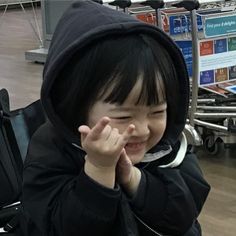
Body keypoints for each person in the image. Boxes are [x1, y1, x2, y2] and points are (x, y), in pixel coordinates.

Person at [21, 1, 210, 235]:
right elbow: (57, 226)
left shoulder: (171, 151)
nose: (142, 129)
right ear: (75, 105)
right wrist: (98, 170)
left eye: (157, 112)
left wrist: (133, 178)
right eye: (124, 116)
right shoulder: (52, 150)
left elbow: (183, 214)